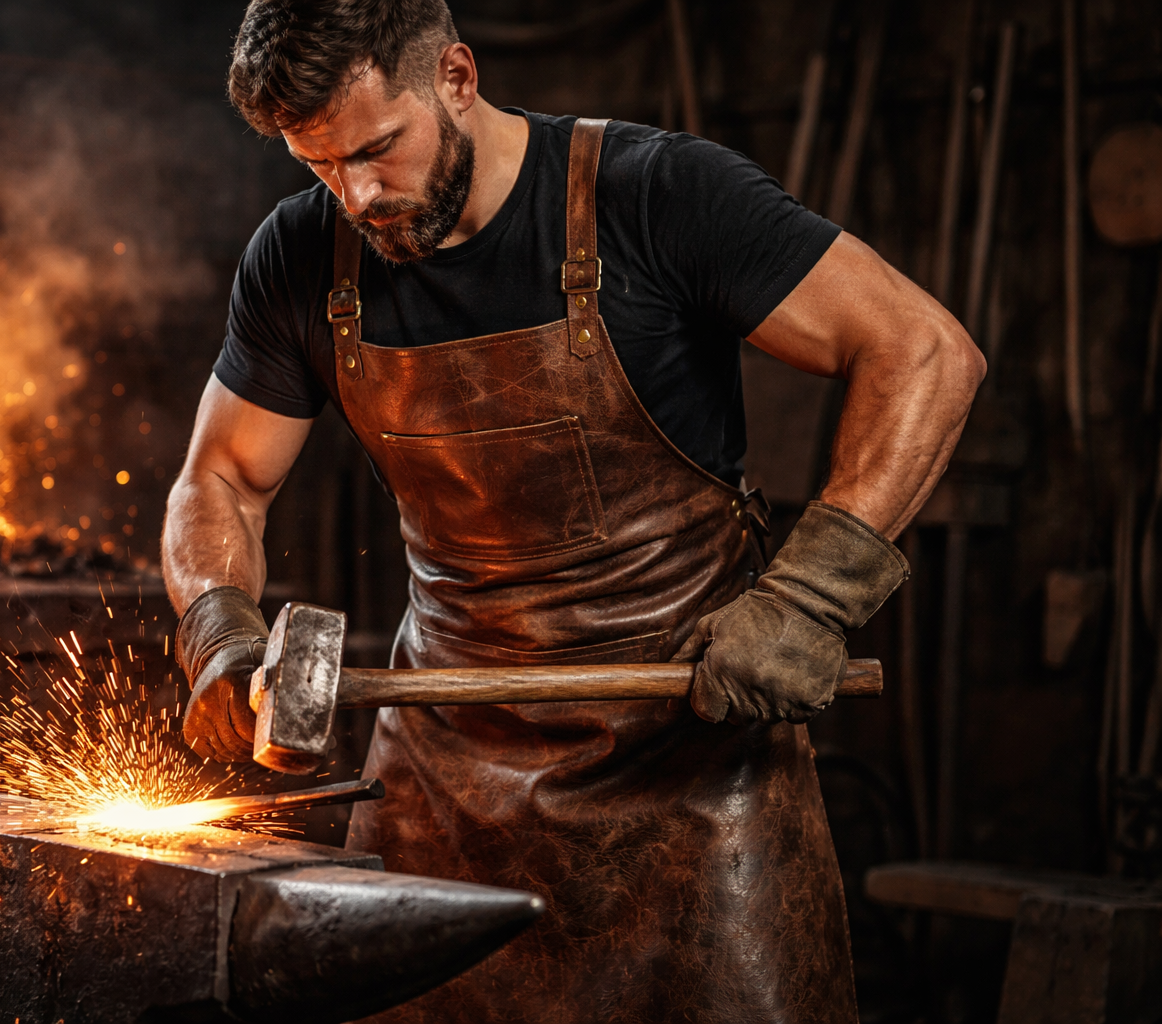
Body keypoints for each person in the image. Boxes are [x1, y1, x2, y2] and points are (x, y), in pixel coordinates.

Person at [161, 2, 984, 1020]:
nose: (359, 194)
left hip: (686, 776)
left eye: (378, 147)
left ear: (455, 76)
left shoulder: (656, 195)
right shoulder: (302, 258)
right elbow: (222, 479)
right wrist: (219, 630)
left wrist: (814, 595)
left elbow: (923, 352)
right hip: (440, 784)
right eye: (320, 164)